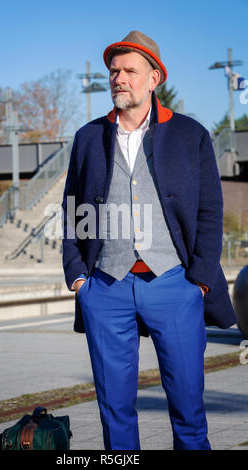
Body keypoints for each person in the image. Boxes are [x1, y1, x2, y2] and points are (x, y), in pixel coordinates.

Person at [61, 31, 236, 451]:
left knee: (189, 410)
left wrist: (199, 281)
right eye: (114, 71)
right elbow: (71, 212)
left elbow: (210, 213)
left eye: (130, 71)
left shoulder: (191, 134)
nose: (119, 78)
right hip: (106, 287)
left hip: (174, 286)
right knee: (114, 412)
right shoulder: (88, 137)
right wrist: (79, 281)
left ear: (154, 77)